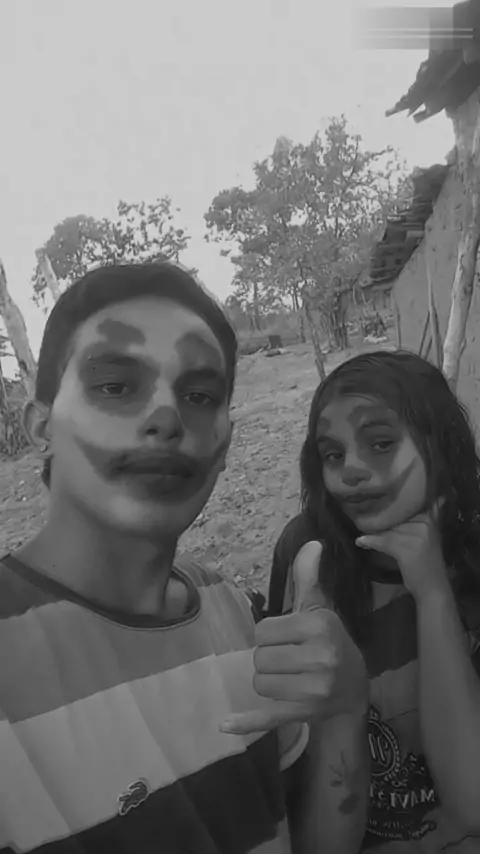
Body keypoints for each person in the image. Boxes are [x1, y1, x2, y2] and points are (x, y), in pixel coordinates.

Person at [0, 262, 369, 854]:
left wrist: (347, 705)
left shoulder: (233, 611)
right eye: (116, 387)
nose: (167, 419)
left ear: (224, 443)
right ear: (40, 428)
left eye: (199, 396)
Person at [268, 350, 480, 852]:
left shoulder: (473, 559)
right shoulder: (307, 557)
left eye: (381, 444)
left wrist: (432, 592)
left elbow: (474, 805)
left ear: (441, 444)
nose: (352, 471)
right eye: (333, 454)